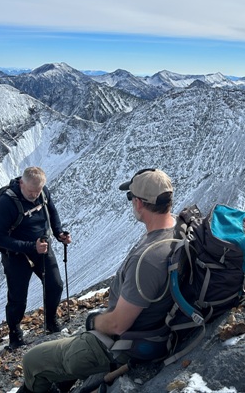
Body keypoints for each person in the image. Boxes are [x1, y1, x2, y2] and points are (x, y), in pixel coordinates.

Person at [17, 168, 177, 393]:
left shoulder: (148, 259)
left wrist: (95, 321)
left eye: (131, 197)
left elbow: (118, 324)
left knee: (32, 361)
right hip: (150, 328)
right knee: (61, 354)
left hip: (126, 343)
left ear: (139, 203)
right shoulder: (177, 228)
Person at [0, 166, 72, 350]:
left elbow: (52, 213)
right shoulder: (6, 202)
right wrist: (30, 246)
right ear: (21, 183)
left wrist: (59, 233)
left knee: (55, 285)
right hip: (15, 255)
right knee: (18, 298)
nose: (35, 195)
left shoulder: (42, 192)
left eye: (38, 191)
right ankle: (15, 336)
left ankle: (51, 321)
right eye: (31, 191)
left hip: (41, 248)